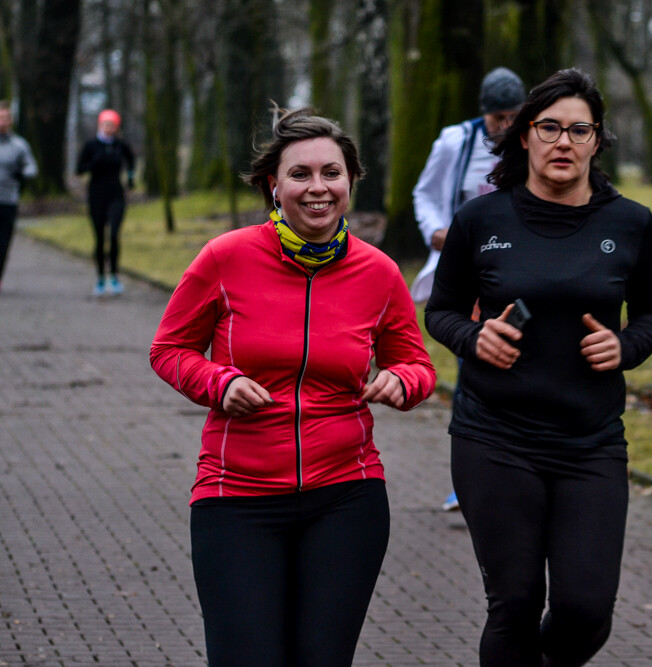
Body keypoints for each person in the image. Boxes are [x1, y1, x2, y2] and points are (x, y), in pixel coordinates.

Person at [149, 106, 436, 666]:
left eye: (331, 173)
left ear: (351, 181)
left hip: (346, 499)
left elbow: (417, 365)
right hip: (237, 498)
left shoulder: (378, 272)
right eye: (300, 174)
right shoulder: (225, 257)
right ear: (273, 185)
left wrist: (403, 380)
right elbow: (169, 350)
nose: (317, 188)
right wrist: (218, 381)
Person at [425, 68, 652, 666]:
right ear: (525, 136)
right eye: (550, 128)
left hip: (590, 442)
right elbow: (442, 311)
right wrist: (475, 337)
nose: (564, 142)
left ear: (597, 141)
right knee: (512, 604)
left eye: (579, 130)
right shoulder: (482, 219)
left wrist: (626, 347)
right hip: (495, 436)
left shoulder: (631, 223)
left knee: (586, 611)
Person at [411, 66, 526, 512]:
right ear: (484, 115)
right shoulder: (455, 143)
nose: (504, 127)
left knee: (518, 359)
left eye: (512, 117)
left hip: (518, 270)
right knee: (474, 364)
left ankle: (516, 469)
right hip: (470, 273)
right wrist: (435, 230)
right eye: (496, 118)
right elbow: (424, 193)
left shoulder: (532, 139)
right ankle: (470, 479)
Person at [76, 108, 135, 297]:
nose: (109, 128)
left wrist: (131, 177)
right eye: (106, 125)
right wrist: (95, 162)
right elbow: (79, 169)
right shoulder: (91, 145)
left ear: (116, 127)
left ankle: (114, 276)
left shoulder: (120, 145)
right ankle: (101, 278)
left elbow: (131, 159)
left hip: (116, 195)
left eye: (112, 125)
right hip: (96, 196)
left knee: (115, 234)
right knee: (100, 237)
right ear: (100, 125)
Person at [0, 100, 38, 293]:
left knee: (3, 242)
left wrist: (23, 174)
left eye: (5, 118)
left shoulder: (19, 145)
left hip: (8, 200)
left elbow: (32, 167)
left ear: (10, 121)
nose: (2, 122)